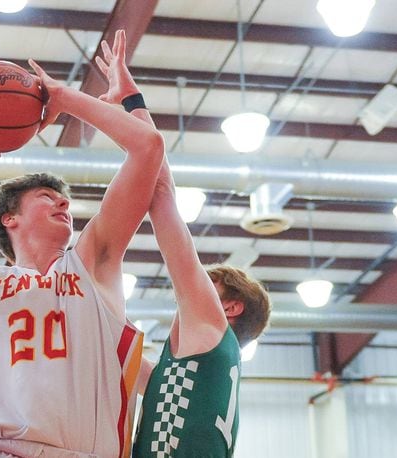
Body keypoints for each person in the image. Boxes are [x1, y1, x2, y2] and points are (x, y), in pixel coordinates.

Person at [0, 59, 164, 458]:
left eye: (65, 200)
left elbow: (148, 147)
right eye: (46, 197)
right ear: (10, 218)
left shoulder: (93, 261)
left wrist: (64, 97)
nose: (63, 201)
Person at [94, 30, 272, 457]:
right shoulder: (183, 370)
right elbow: (123, 351)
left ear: (228, 308)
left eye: (210, 287)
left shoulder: (211, 332)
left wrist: (131, 104)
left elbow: (160, 193)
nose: (190, 292)